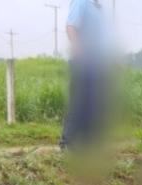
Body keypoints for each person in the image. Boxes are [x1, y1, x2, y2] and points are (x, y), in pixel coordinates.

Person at [60, 0, 112, 150]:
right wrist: (80, 50)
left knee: (93, 104)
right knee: (78, 102)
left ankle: (87, 144)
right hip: (83, 61)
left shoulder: (99, 9)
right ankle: (68, 144)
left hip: (96, 64)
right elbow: (71, 26)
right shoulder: (81, 2)